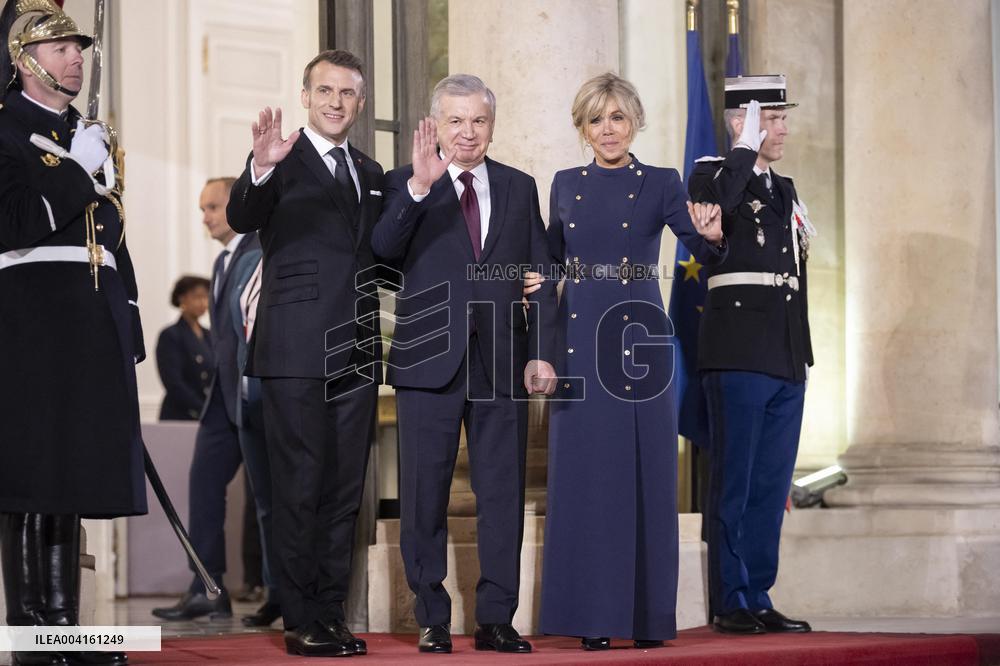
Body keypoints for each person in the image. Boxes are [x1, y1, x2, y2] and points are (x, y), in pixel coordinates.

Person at [532, 73, 724, 650]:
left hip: (639, 344)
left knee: (643, 476)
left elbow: (703, 247)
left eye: (617, 117)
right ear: (582, 128)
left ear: (635, 120)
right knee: (586, 480)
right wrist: (539, 342)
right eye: (596, 119)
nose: (607, 129)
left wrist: (714, 237)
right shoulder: (564, 184)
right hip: (578, 342)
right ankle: (593, 618)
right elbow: (549, 268)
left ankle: (643, 619)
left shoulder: (663, 182)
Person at [371, 74, 558, 655]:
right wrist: (420, 191)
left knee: (501, 495)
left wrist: (544, 351)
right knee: (423, 494)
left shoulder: (520, 187)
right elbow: (380, 250)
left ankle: (497, 618)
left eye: (477, 120)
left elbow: (544, 275)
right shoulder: (404, 182)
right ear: (436, 125)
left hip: (501, 362)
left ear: (492, 125)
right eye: (455, 120)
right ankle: (431, 615)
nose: (467, 132)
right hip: (427, 361)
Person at [227, 49, 384, 658]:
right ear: (307, 96)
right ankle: (300, 619)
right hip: (293, 348)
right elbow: (243, 214)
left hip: (359, 349)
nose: (336, 102)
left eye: (347, 93)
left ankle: (330, 611)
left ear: (361, 102)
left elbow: (387, 250)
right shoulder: (280, 158)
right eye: (326, 91)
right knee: (299, 485)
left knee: (344, 491)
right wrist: (260, 170)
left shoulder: (372, 171)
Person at [0, 2, 145, 664]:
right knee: (31, 480)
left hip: (90, 324)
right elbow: (14, 224)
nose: (75, 58)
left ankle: (62, 624)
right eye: (60, 49)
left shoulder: (89, 133)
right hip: (29, 324)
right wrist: (81, 174)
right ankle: (31, 633)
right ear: (24, 59)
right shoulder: (5, 130)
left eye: (78, 48)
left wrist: (128, 323)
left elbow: (112, 242)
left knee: (74, 479)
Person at [688, 76, 814, 635]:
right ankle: (731, 597)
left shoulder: (783, 188)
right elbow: (718, 203)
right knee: (734, 480)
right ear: (744, 121)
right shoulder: (710, 172)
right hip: (738, 352)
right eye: (774, 118)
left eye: (784, 118)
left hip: (786, 354)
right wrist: (744, 147)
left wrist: (802, 355)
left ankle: (759, 592)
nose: (784, 128)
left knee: (769, 483)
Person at [152, 178, 260, 621]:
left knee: (268, 502)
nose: (205, 217)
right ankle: (208, 587)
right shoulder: (220, 263)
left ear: (236, 205)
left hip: (255, 398)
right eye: (202, 209)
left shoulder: (261, 250)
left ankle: (279, 593)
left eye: (212, 207)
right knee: (202, 488)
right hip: (221, 401)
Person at [231, 256, 282, 628]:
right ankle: (274, 591)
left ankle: (298, 591)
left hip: (281, 394)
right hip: (248, 398)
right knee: (264, 504)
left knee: (290, 500)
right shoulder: (250, 260)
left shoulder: (292, 252)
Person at [156, 276, 214, 421]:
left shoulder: (210, 335)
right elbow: (174, 383)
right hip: (180, 415)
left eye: (206, 297)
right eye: (197, 297)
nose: (202, 302)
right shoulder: (170, 335)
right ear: (182, 299)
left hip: (207, 415)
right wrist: (203, 409)